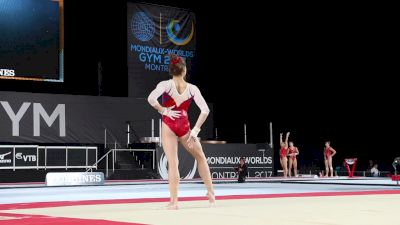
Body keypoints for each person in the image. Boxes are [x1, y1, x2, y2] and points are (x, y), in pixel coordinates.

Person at [147, 54, 215, 209]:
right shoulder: (192, 89)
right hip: (185, 126)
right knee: (201, 157)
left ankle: (174, 202)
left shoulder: (165, 85)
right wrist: (195, 130)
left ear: (171, 71)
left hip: (169, 124)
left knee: (173, 162)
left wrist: (163, 110)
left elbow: (151, 99)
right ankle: (211, 193)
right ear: (184, 71)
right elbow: (205, 110)